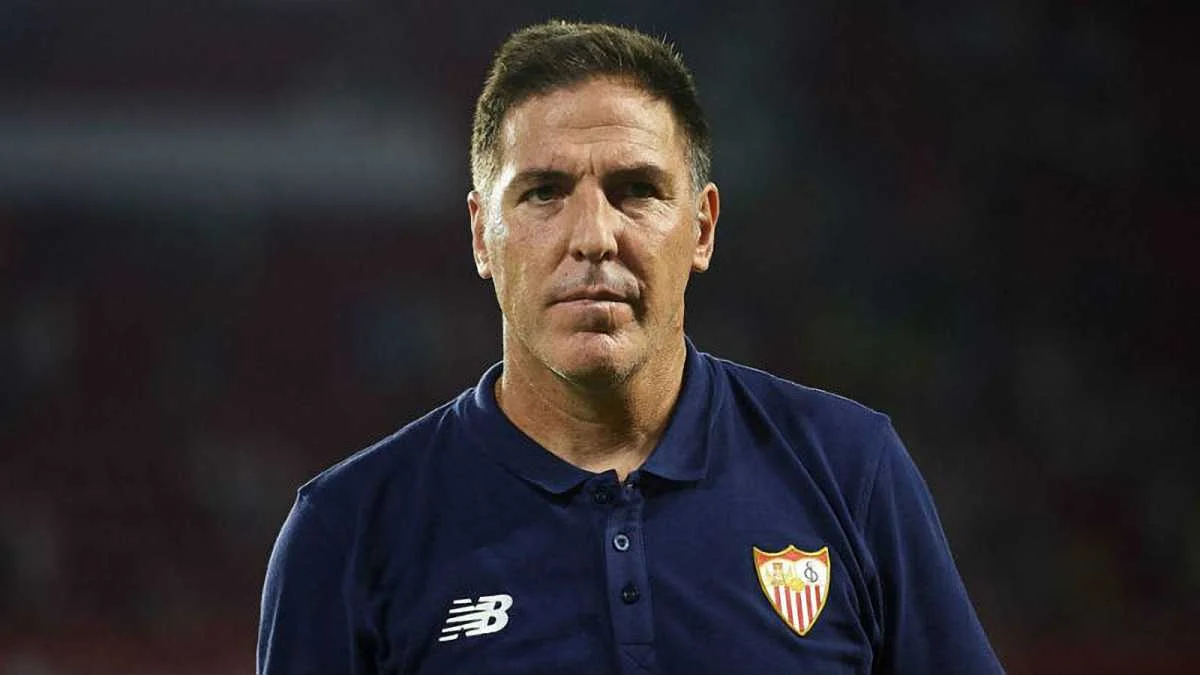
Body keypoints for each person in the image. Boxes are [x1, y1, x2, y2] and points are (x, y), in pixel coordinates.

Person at [257, 20, 1004, 675]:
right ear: (482, 235)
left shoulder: (850, 469)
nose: (593, 236)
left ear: (702, 228)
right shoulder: (347, 532)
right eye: (544, 192)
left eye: (636, 190)